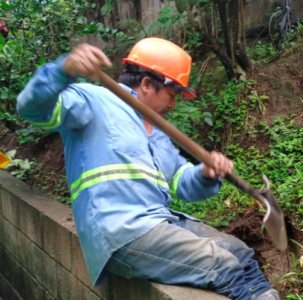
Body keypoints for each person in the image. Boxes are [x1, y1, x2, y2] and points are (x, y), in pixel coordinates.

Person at [16, 38, 279, 300]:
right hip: (122, 233)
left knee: (241, 254)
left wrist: (205, 174)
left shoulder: (161, 134)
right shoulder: (94, 101)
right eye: (172, 95)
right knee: (222, 266)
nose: (174, 105)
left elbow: (182, 182)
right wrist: (63, 70)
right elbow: (30, 107)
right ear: (147, 84)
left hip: (161, 224)